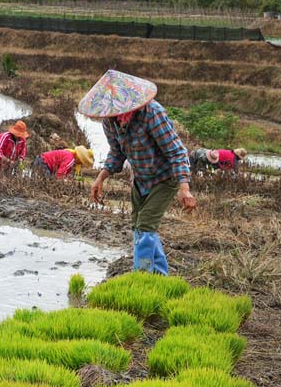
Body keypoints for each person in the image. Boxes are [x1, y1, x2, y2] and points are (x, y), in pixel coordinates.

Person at [79, 70, 196, 275]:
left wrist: (185, 189)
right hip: (140, 179)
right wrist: (100, 179)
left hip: (164, 178)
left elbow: (176, 151)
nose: (113, 114)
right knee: (139, 229)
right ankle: (159, 275)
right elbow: (117, 153)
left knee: (145, 228)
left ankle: (140, 277)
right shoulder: (110, 121)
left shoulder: (152, 113)